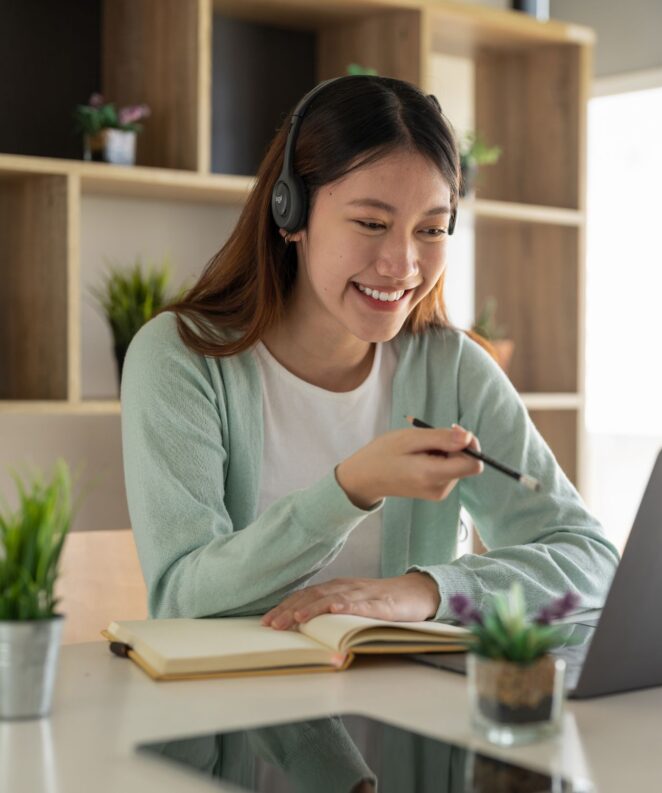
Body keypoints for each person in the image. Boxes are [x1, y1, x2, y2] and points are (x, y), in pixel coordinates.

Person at [121, 75, 618, 630]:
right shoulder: (180, 358)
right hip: (240, 687)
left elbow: (592, 561)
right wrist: (351, 489)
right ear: (291, 213)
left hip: (405, 688)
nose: (402, 265)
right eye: (371, 223)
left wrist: (430, 590)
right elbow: (181, 599)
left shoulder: (452, 369)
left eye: (431, 230)